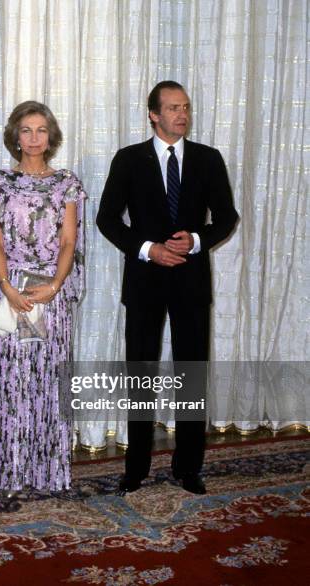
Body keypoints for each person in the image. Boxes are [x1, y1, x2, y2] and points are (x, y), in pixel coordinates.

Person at [96, 81, 239, 496]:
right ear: (153, 114)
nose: (182, 115)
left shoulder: (209, 159)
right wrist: (147, 249)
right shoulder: (128, 160)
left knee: (191, 373)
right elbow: (107, 219)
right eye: (174, 108)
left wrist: (196, 241)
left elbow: (227, 217)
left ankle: (189, 466)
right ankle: (136, 467)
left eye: (186, 108)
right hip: (144, 281)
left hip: (192, 283)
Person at [0, 101, 86, 494]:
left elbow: (70, 240)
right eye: (26, 130)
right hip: (10, 289)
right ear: (15, 136)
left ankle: (46, 468)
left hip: (49, 291)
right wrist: (6, 285)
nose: (34, 138)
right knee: (10, 377)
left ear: (50, 136)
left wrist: (54, 286)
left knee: (47, 379)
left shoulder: (67, 183)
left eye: (41, 130)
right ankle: (9, 466)